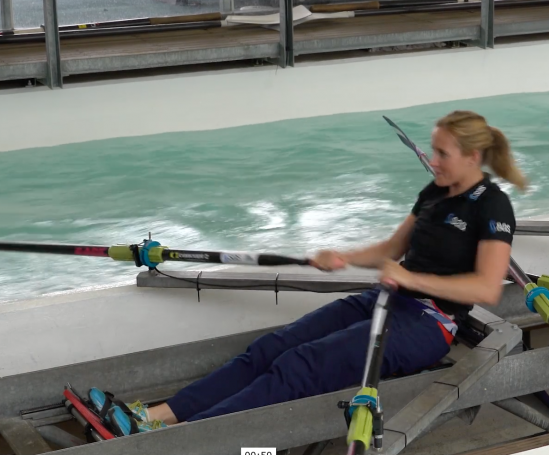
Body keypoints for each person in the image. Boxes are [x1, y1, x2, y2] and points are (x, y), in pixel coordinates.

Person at [88, 110, 527, 434]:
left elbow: (487, 287)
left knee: (301, 365)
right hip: (386, 300)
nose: (432, 160)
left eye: (442, 153)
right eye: (432, 150)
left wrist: (411, 279)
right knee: (270, 349)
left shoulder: (492, 206)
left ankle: (185, 439)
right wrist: (342, 257)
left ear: (472, 157)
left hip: (432, 322)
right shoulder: (435, 191)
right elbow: (392, 249)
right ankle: (154, 417)